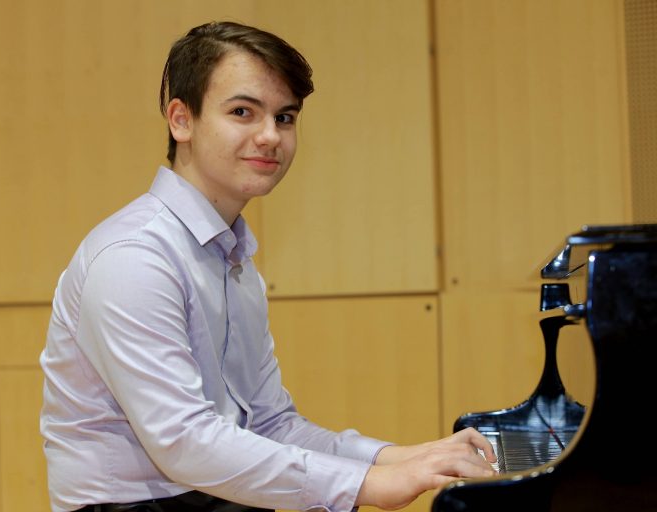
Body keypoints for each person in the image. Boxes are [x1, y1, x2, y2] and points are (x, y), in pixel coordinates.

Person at [39, 20, 496, 512]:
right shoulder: (134, 256)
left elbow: (270, 424)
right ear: (181, 120)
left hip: (214, 495)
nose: (270, 136)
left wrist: (399, 457)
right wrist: (372, 484)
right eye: (243, 112)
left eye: (285, 117)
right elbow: (184, 443)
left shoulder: (234, 261)